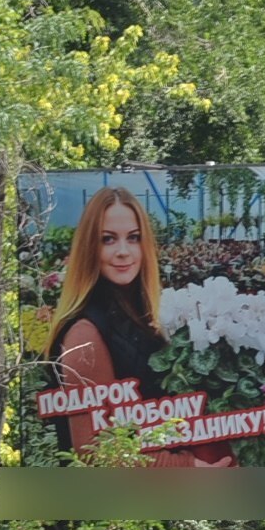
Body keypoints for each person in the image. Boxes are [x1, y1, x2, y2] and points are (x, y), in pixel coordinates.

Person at [44, 186, 233, 467]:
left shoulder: (141, 316)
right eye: (108, 239)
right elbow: (94, 452)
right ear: (89, 248)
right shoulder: (85, 334)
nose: (123, 251)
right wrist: (188, 469)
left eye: (133, 238)